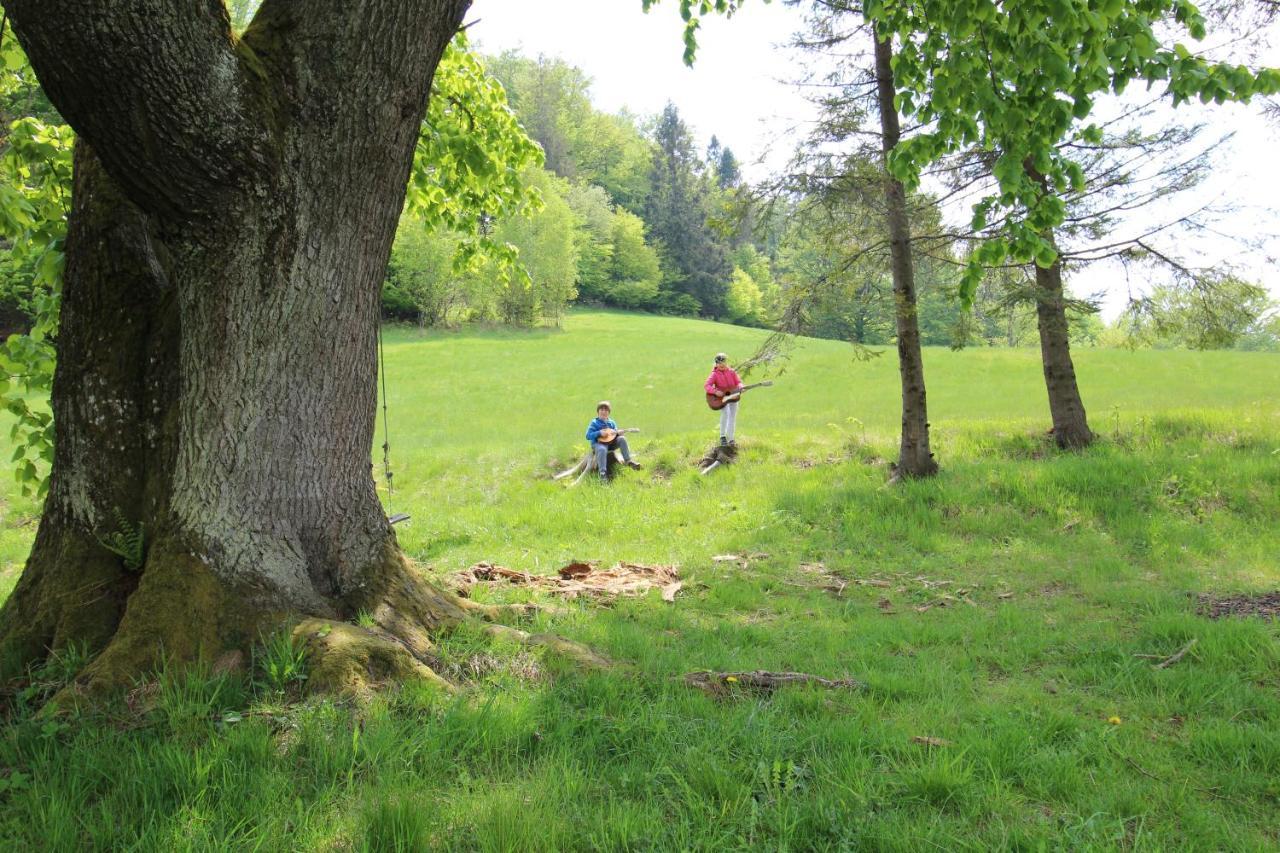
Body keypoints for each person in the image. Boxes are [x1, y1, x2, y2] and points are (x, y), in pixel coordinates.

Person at [585, 401, 641, 482]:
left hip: (610, 444)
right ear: (598, 412)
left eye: (606, 410)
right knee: (602, 449)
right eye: (602, 409)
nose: (604, 412)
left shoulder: (611, 422)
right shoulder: (594, 423)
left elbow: (613, 435)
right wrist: (599, 433)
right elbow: (588, 435)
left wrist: (618, 433)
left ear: (609, 412)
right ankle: (603, 473)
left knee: (622, 439)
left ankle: (628, 461)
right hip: (598, 444)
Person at [705, 353, 743, 446]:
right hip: (722, 398)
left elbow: (738, 382)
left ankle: (731, 439)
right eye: (719, 362)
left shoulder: (732, 372)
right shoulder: (714, 374)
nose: (721, 364)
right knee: (725, 413)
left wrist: (741, 387)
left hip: (733, 396)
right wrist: (715, 391)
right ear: (716, 364)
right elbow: (707, 385)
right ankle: (722, 436)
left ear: (726, 362)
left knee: (732, 417)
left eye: (723, 362)